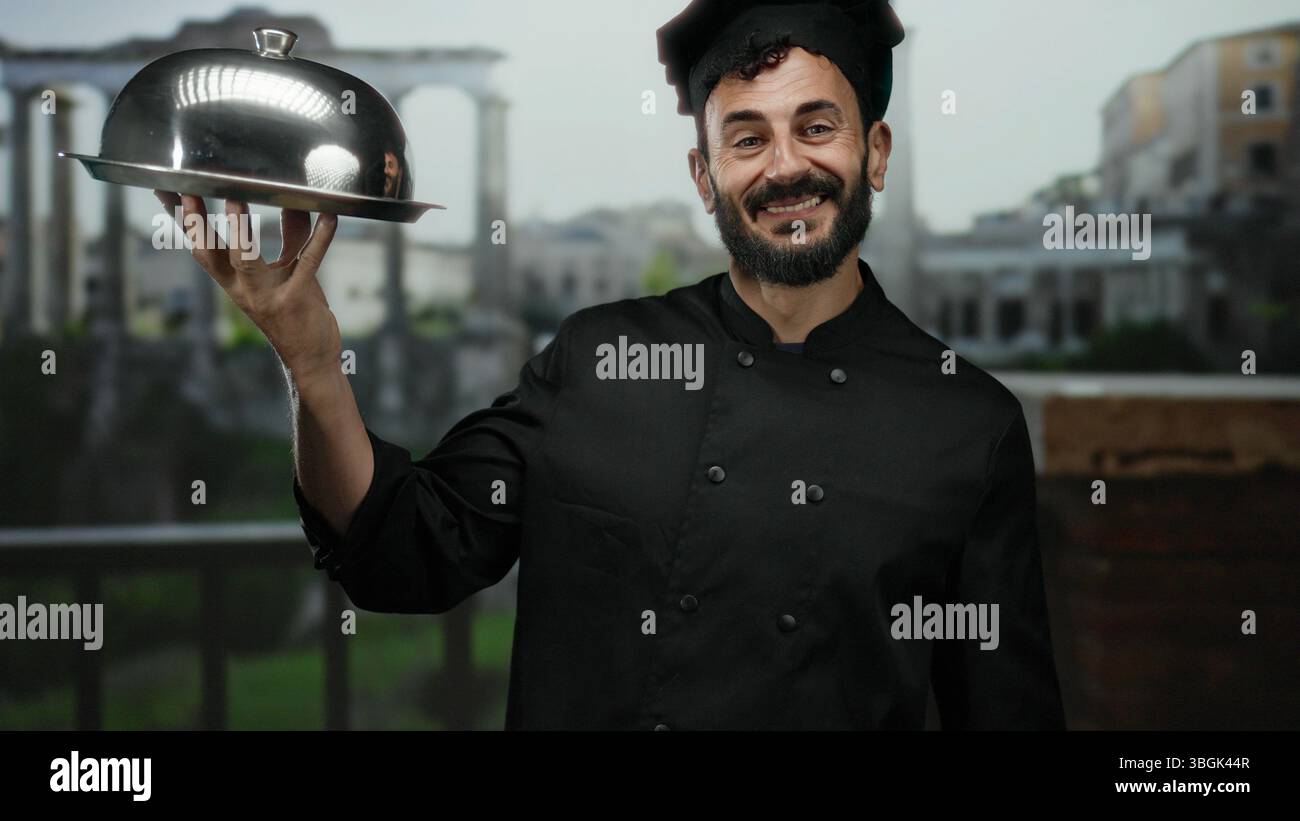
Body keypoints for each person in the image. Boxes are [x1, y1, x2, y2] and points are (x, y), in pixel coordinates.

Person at [158, 0, 1066, 730]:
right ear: (706, 177)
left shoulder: (967, 424)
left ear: (874, 152)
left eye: (816, 127)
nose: (785, 167)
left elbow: (1007, 709)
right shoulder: (601, 357)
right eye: (746, 138)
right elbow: (402, 548)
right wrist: (314, 365)